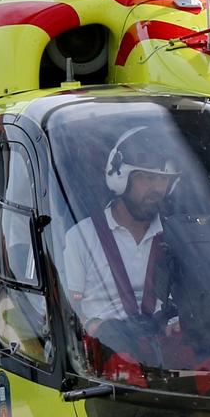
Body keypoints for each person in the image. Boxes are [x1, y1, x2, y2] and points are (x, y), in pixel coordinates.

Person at [58, 126, 182, 369]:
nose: (157, 189)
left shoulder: (176, 237)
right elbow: (64, 312)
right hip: (104, 362)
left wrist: (179, 322)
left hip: (165, 361)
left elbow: (189, 301)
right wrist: (91, 325)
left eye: (164, 180)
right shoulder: (81, 237)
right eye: (147, 178)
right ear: (118, 177)